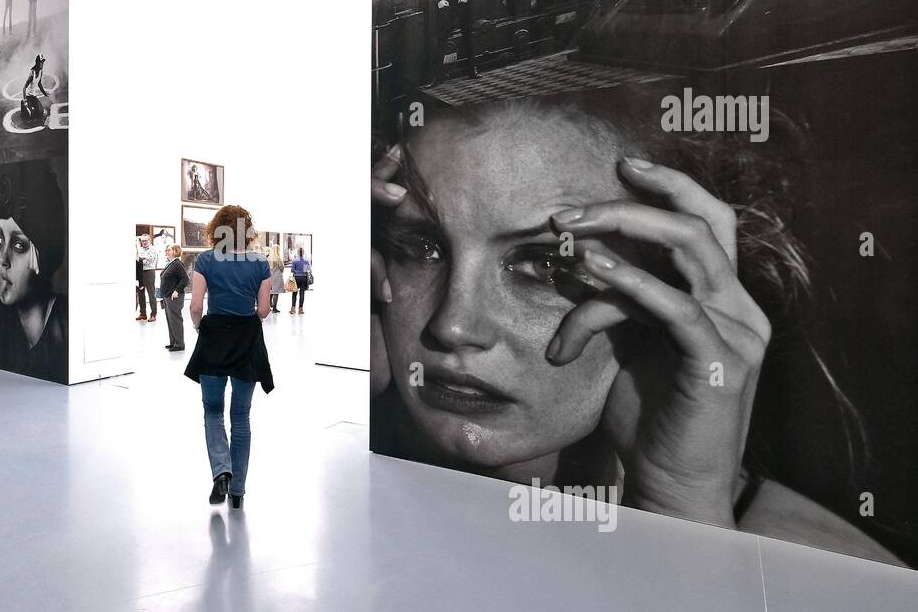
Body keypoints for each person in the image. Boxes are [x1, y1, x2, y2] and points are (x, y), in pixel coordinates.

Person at [370, 91, 903, 566]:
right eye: (419, 247)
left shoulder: (838, 584)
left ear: (675, 287)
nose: (454, 325)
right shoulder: (353, 488)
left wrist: (679, 509)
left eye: (547, 264)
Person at [184, 204, 275, 509]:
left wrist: (199, 327)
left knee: (212, 411)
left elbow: (196, 306)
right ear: (247, 232)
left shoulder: (206, 260)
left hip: (213, 339)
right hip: (247, 341)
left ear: (217, 229)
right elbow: (264, 311)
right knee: (241, 417)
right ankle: (237, 491)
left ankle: (221, 471)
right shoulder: (260, 263)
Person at [0, 165, 68, 383]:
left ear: (44, 256)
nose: (2, 259)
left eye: (18, 246)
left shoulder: (66, 327)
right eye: (0, 238)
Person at [160, 242, 189, 351]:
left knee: (175, 321)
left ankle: (180, 344)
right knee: (170, 321)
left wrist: (177, 290)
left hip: (174, 297)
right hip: (167, 296)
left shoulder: (177, 264)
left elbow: (185, 279)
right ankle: (173, 342)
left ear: (175, 251)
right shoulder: (171, 263)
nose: (167, 252)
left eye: (169, 250)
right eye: (166, 250)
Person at [135, 232, 161, 321]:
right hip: (140, 272)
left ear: (149, 240)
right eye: (142, 241)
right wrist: (143, 259)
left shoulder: (153, 249)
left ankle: (153, 314)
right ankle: (143, 314)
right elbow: (138, 260)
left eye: (146, 240)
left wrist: (142, 259)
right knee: (141, 293)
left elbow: (149, 260)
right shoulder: (139, 249)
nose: (144, 242)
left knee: (151, 294)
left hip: (149, 272)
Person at [289, 247, 310, 314]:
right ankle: (300, 309)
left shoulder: (294, 261)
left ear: (297, 252)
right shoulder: (305, 261)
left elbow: (292, 270)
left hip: (296, 278)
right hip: (303, 278)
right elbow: (306, 270)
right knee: (302, 293)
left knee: (294, 293)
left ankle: (293, 309)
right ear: (303, 253)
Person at [268, 243, 285, 313]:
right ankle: (274, 308)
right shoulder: (278, 259)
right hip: (277, 277)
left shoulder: (268, 258)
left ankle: (268, 307)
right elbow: (282, 268)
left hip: (270, 277)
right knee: (276, 293)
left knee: (271, 292)